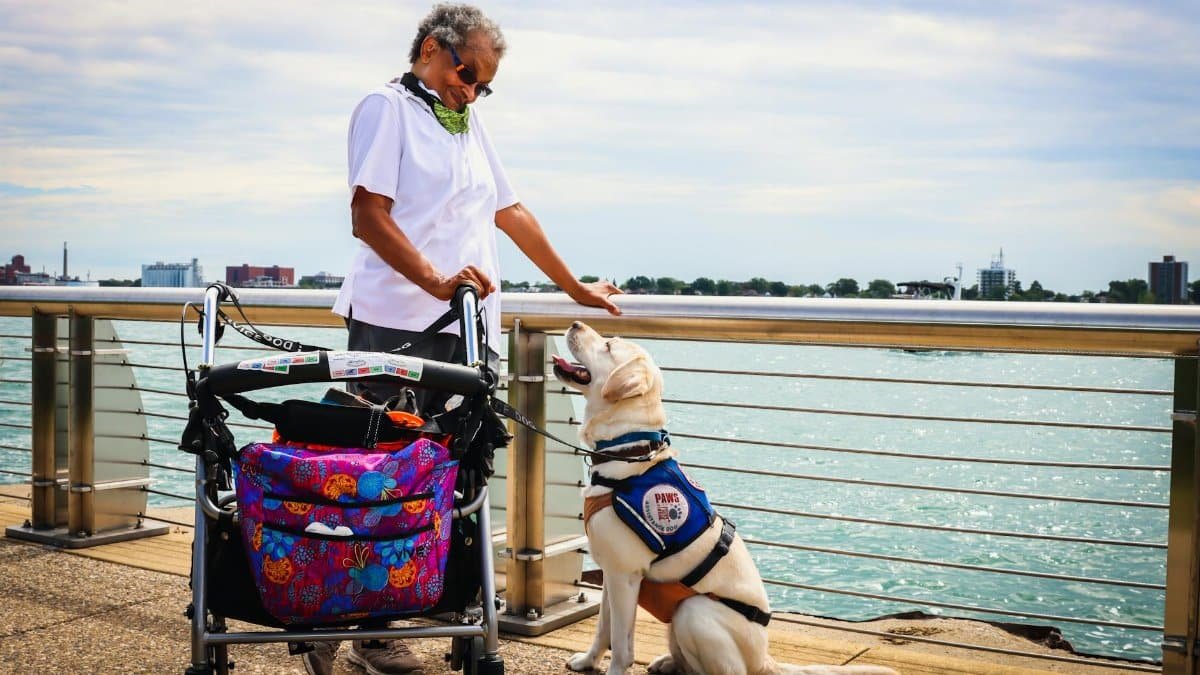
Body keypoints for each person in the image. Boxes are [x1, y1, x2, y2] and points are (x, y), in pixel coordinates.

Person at [306, 4, 622, 675]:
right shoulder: (385, 107)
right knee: (377, 479)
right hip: (396, 321)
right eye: (466, 73)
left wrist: (574, 288)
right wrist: (436, 279)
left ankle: (415, 614)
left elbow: (509, 211)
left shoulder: (468, 123)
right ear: (430, 48)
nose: (472, 90)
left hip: (466, 331)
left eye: (484, 83)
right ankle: (351, 627)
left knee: (447, 479)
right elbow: (368, 216)